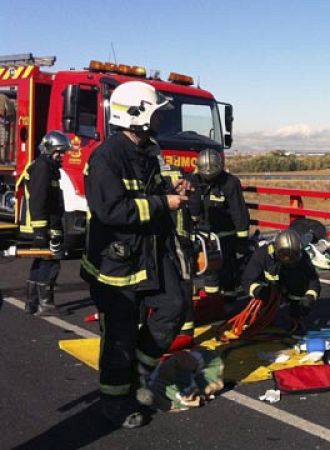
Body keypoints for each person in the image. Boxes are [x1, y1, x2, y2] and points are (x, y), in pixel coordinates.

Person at [81, 81, 192, 428]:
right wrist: (163, 203)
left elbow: (151, 189)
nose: (160, 119)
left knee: (175, 306)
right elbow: (111, 211)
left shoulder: (148, 150)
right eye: (156, 113)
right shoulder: (106, 157)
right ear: (136, 116)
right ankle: (115, 402)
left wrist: (172, 189)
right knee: (120, 336)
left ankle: (140, 371)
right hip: (116, 264)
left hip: (149, 253)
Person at [19, 131, 70, 315]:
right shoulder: (43, 168)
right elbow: (38, 200)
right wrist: (41, 231)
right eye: (59, 152)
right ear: (48, 149)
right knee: (51, 262)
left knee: (41, 260)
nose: (62, 155)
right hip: (46, 227)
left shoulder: (46, 166)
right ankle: (45, 305)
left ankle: (31, 303)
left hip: (45, 226)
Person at [189, 148, 249, 299]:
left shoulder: (230, 183)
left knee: (227, 271)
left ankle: (229, 300)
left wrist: (242, 240)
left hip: (225, 237)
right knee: (207, 272)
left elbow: (239, 212)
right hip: (202, 237)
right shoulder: (193, 181)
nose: (208, 176)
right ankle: (212, 301)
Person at [240, 229, 320, 334]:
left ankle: (295, 317)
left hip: (288, 287)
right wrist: (259, 291)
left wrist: (309, 298)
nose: (289, 259)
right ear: (276, 250)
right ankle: (261, 316)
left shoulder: (303, 258)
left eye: (293, 255)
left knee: (299, 283)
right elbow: (247, 280)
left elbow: (313, 282)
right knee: (264, 314)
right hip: (267, 289)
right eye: (284, 255)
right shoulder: (262, 255)